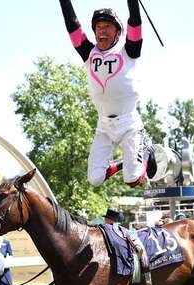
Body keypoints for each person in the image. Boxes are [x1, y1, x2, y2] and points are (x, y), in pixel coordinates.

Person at [59, 0, 157, 187]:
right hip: (104, 125)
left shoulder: (129, 50)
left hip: (129, 123)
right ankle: (121, 164)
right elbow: (72, 24)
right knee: (95, 179)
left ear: (117, 32)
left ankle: (146, 150)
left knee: (133, 180)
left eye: (107, 27)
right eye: (98, 27)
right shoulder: (88, 52)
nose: (101, 31)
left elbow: (135, 22)